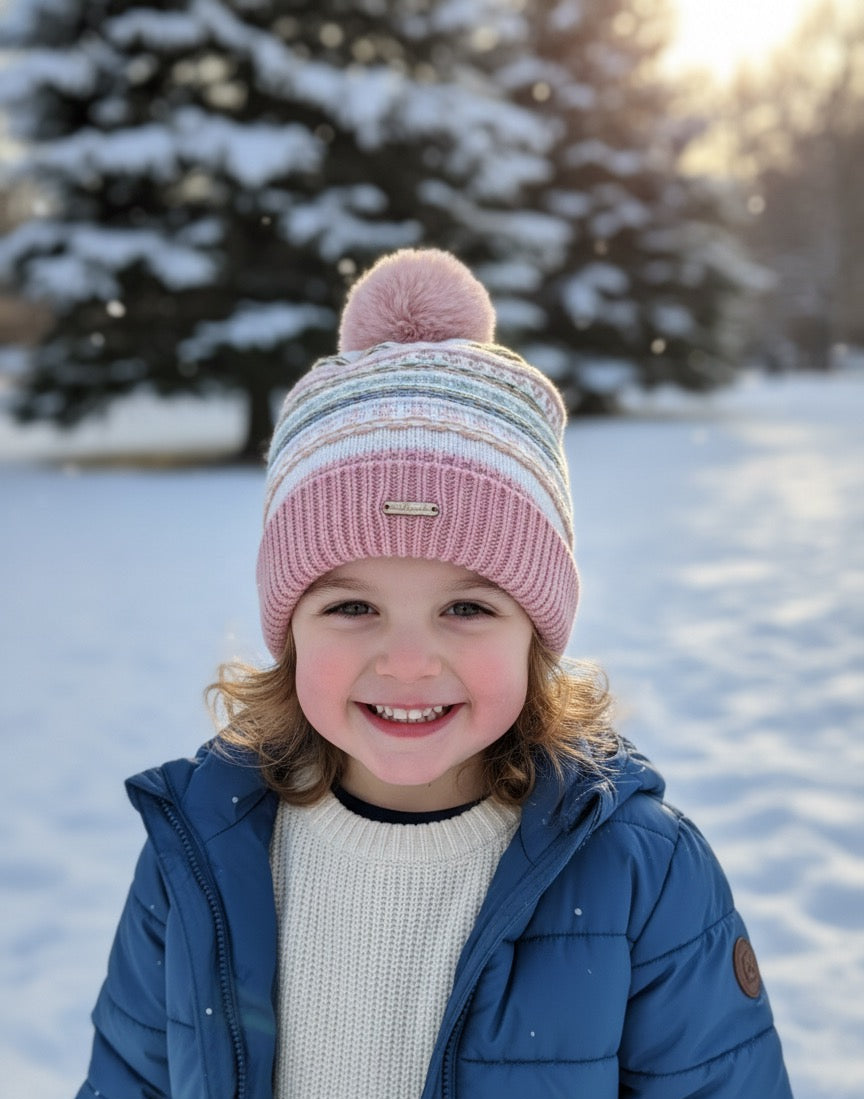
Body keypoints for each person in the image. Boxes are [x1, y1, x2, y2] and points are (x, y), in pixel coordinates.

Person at [77, 249, 793, 1099]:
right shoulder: (200, 849)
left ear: (537, 632)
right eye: (352, 608)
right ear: (290, 632)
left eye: (467, 608)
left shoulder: (641, 872)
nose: (410, 662)